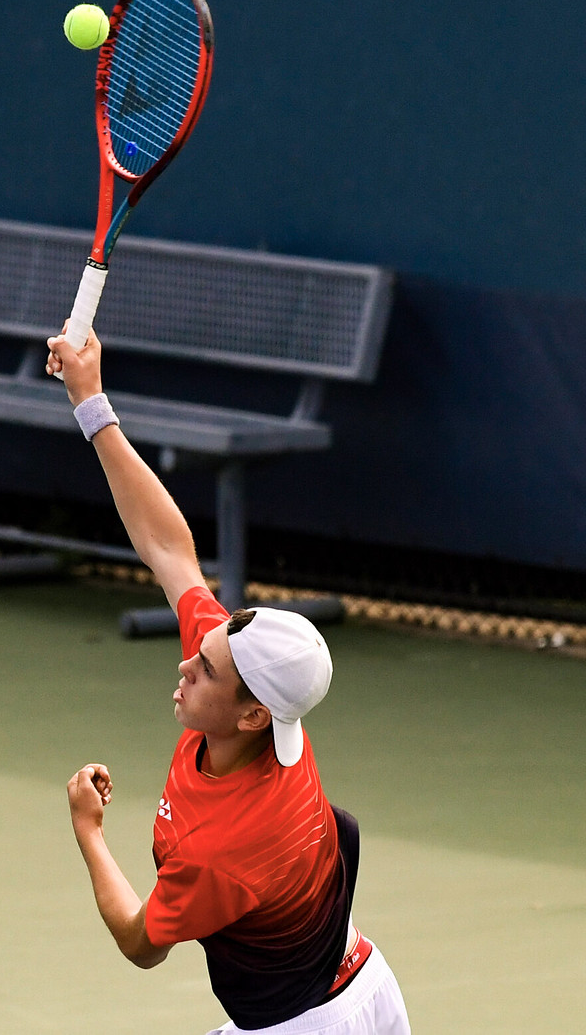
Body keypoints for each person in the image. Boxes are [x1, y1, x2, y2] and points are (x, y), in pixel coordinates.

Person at [45, 329, 412, 1035]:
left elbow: (138, 939)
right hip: (360, 981)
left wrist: (88, 831)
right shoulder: (256, 690)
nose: (186, 662)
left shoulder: (226, 850)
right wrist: (92, 404)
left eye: (206, 668)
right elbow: (169, 551)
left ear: (250, 716)